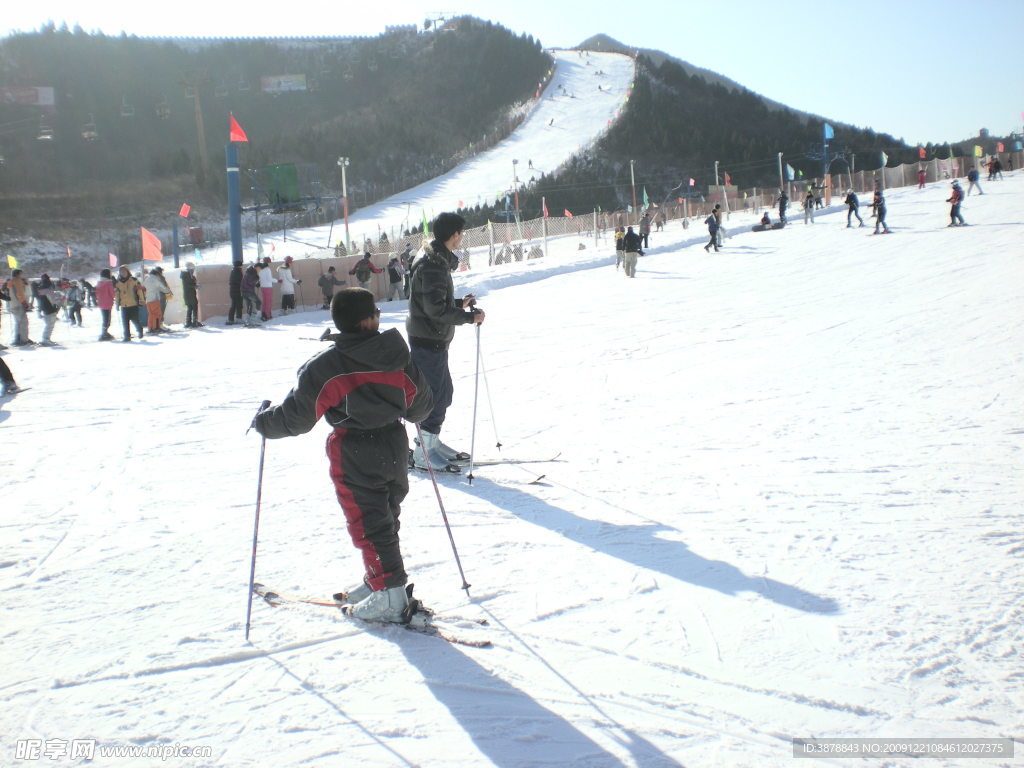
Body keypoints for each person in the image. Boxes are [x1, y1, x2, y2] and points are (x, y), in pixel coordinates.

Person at [253, 287, 434, 623]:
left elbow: (297, 418)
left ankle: (390, 595)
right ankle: (380, 580)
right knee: (384, 516)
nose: (380, 315)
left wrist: (264, 422)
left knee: (369, 522)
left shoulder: (327, 367)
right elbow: (420, 405)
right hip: (393, 444)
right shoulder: (397, 355)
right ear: (367, 320)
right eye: (376, 311)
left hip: (355, 449)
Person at [406, 212, 485, 472]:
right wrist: (468, 317)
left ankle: (431, 442)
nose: (462, 238)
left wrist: (457, 304)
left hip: (432, 337)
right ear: (454, 235)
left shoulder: (435, 259)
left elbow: (432, 302)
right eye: (461, 233)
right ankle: (423, 451)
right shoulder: (433, 264)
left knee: (443, 393)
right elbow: (434, 310)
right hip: (428, 339)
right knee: (435, 396)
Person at [115, 265, 145, 342]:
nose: (123, 273)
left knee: (135, 320)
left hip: (133, 304)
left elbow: (139, 291)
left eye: (124, 271)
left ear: (128, 272)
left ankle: (139, 329)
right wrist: (117, 304)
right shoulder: (118, 283)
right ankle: (127, 336)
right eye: (121, 272)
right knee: (125, 321)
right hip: (124, 305)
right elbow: (117, 294)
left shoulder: (134, 281)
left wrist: (141, 300)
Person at [8, 269, 33, 346]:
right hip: (19, 304)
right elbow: (20, 293)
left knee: (17, 323)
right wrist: (25, 303)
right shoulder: (18, 281)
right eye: (21, 273)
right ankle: (23, 340)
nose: (22, 275)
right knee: (23, 323)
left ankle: (17, 338)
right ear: (18, 274)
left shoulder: (11, 281)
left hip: (13, 304)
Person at [143, 267, 171, 334]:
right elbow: (162, 287)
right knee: (157, 314)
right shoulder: (156, 279)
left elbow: (143, 288)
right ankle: (156, 328)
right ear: (156, 274)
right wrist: (167, 290)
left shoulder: (146, 279)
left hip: (148, 300)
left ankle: (150, 328)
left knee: (151, 315)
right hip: (155, 299)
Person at [36, 274, 60, 346]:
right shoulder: (48, 291)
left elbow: (40, 301)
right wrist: (57, 304)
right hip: (50, 309)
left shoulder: (40, 289)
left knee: (48, 324)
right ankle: (45, 339)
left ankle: (46, 338)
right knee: (50, 324)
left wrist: (39, 310)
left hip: (45, 308)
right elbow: (53, 300)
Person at [95, 268, 116, 341]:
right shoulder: (109, 283)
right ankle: (104, 333)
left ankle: (104, 332)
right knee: (107, 319)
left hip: (101, 303)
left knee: (104, 318)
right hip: (108, 303)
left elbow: (96, 293)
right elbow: (113, 294)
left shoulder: (99, 283)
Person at [181, 262, 203, 328]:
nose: (193, 270)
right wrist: (195, 286)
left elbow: (189, 284)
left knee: (190, 308)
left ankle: (189, 322)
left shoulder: (186, 275)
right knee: (194, 307)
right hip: (190, 294)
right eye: (192, 269)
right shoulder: (188, 275)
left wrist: (195, 285)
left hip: (188, 294)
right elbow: (188, 284)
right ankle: (194, 322)